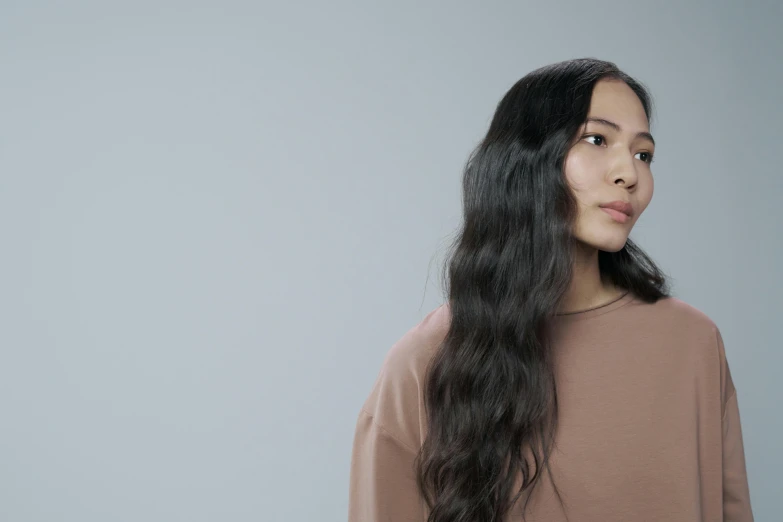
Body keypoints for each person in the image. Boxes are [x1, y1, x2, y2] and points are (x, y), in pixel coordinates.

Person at [347, 58, 753, 522]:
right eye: (597, 140)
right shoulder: (426, 362)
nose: (630, 174)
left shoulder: (693, 344)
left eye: (644, 154)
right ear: (525, 160)